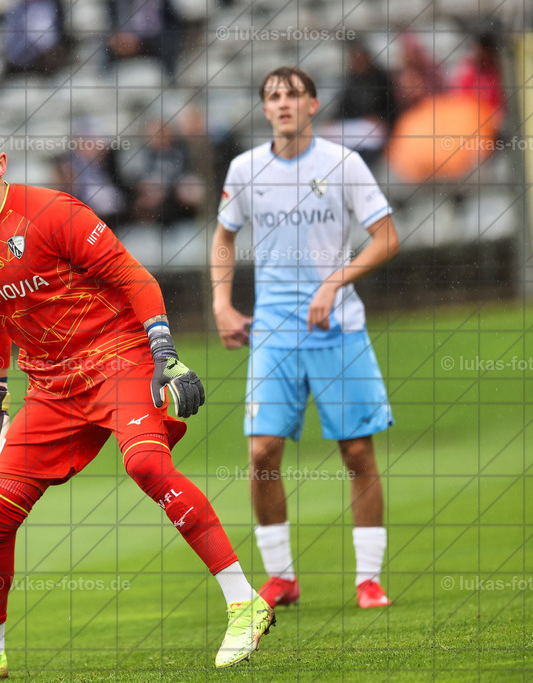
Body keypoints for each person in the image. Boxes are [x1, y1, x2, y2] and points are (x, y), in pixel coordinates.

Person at [0, 113, 274, 681]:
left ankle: (246, 602)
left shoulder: (52, 211)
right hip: (49, 387)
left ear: (0, 164)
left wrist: (163, 354)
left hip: (116, 358)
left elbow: (134, 277)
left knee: (146, 463)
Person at [210, 66, 399, 611]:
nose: (284, 103)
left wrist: (334, 281)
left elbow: (386, 239)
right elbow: (224, 236)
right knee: (262, 451)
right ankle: (282, 578)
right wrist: (222, 304)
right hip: (272, 332)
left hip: (339, 328)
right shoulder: (246, 169)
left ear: (313, 105)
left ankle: (368, 580)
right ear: (265, 109)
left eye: (293, 94)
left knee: (357, 450)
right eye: (273, 96)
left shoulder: (344, 164)